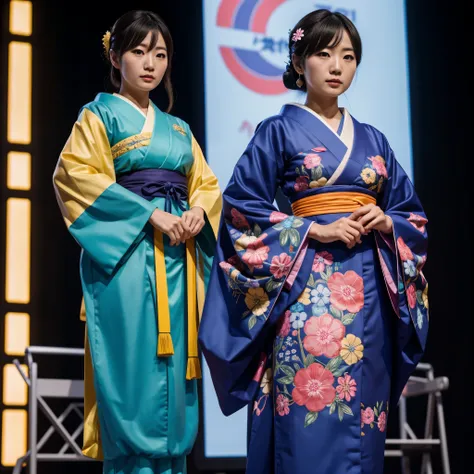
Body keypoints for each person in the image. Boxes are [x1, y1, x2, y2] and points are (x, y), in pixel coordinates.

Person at [198, 9, 428, 473]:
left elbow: (414, 218)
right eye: (324, 54)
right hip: (305, 296)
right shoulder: (278, 131)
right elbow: (241, 210)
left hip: (368, 302)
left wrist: (388, 223)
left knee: (363, 423)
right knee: (307, 419)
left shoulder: (376, 140)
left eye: (348, 56)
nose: (338, 66)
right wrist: (309, 229)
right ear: (300, 62)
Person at [53, 10, 221, 474]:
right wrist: (151, 215)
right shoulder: (99, 114)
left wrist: (195, 212)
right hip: (127, 261)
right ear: (115, 55)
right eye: (138, 51)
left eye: (160, 54)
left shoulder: (180, 130)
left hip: (178, 263)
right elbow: (75, 176)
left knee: (176, 378)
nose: (150, 63)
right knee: (132, 375)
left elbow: (204, 185)